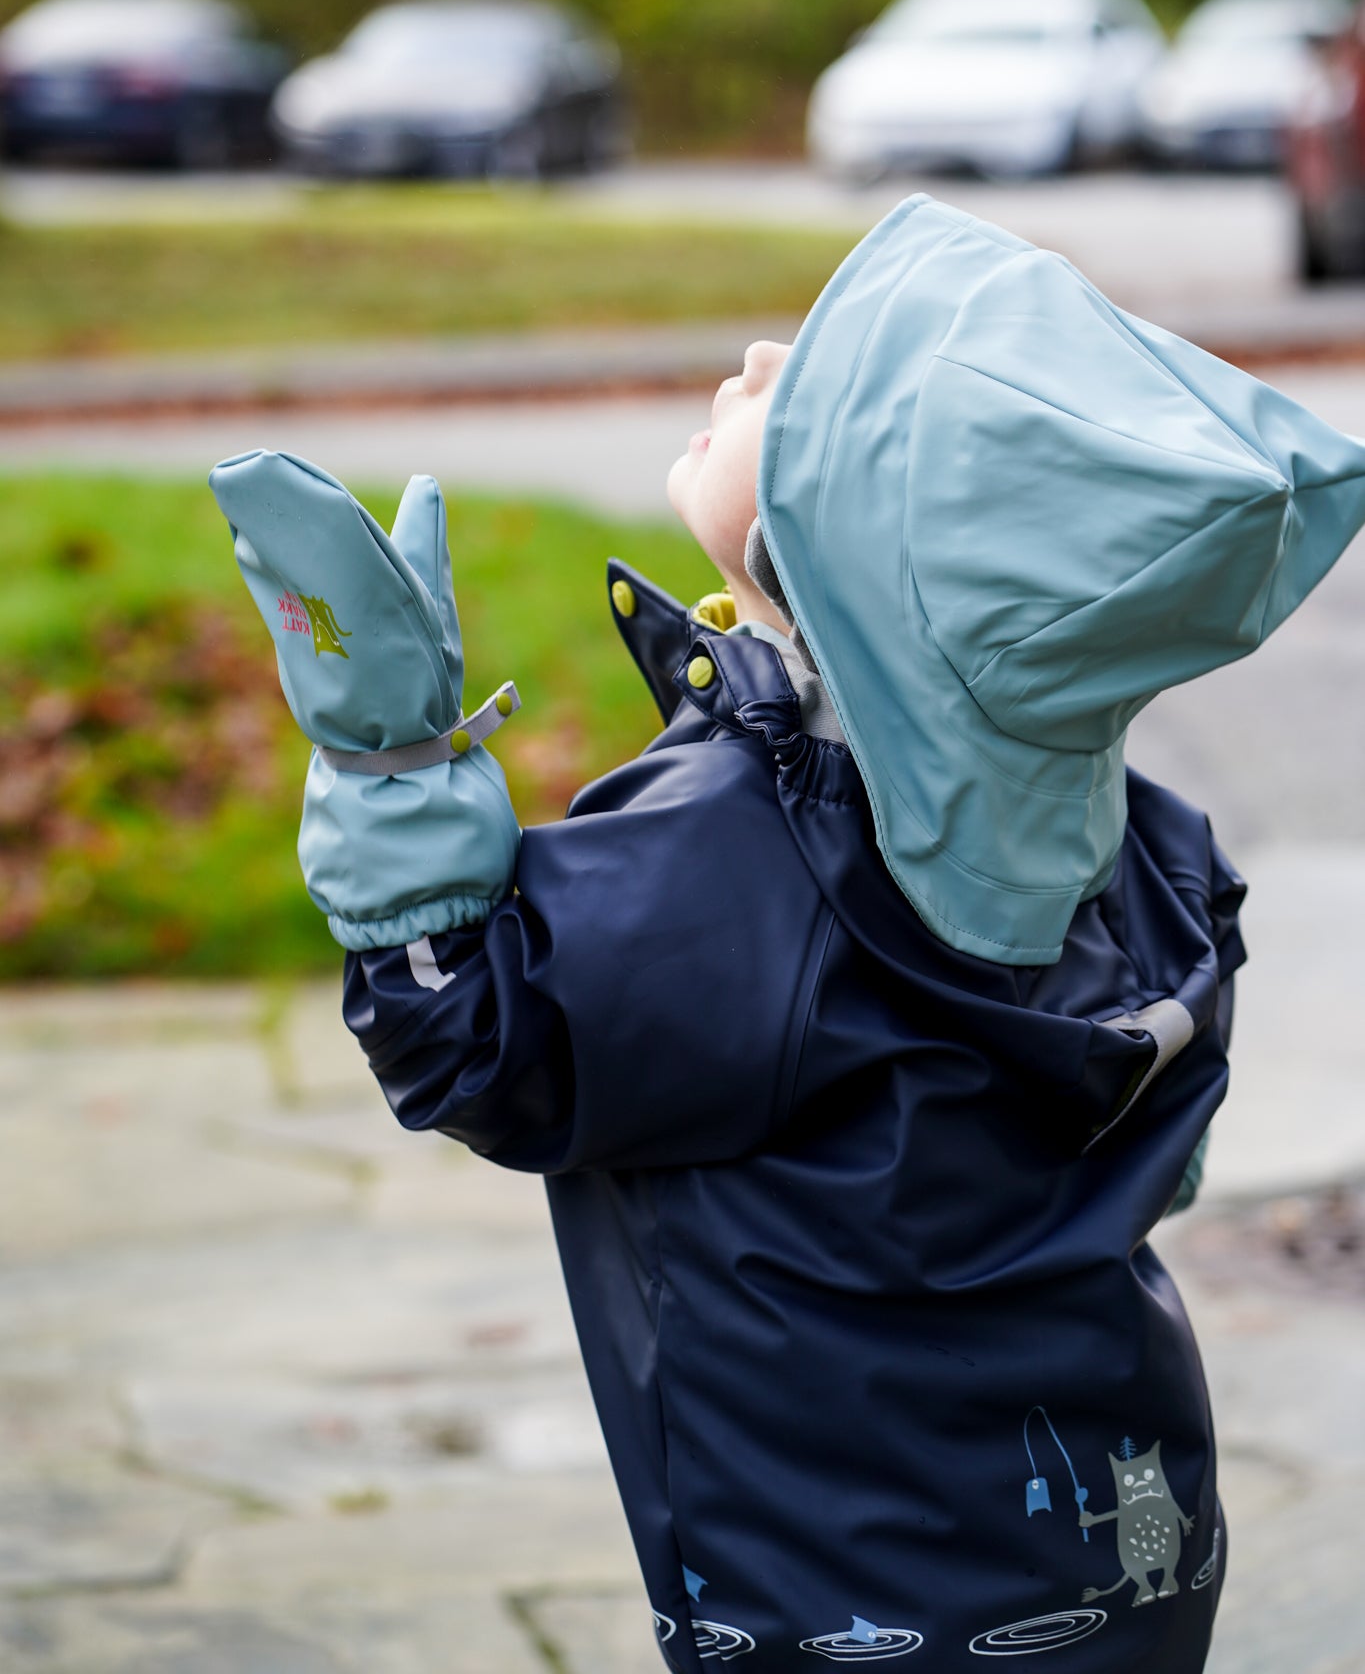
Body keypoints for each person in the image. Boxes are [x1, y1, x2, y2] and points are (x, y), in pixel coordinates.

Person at [210, 195, 1365, 1672]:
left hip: (838, 1598)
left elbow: (478, 1046)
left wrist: (389, 769)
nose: (756, 353)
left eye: (807, 380)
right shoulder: (1134, 833)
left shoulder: (745, 845)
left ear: (858, 529)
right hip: (1115, 1545)